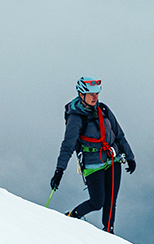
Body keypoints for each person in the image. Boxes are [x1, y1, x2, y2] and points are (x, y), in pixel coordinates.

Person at [51, 77, 137, 233]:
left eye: (96, 93)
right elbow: (68, 146)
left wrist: (130, 157)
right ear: (81, 94)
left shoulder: (103, 110)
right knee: (97, 202)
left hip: (113, 159)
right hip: (92, 163)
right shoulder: (76, 118)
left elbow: (119, 134)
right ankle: (73, 215)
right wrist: (59, 171)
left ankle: (109, 231)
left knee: (111, 200)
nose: (95, 97)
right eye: (90, 94)